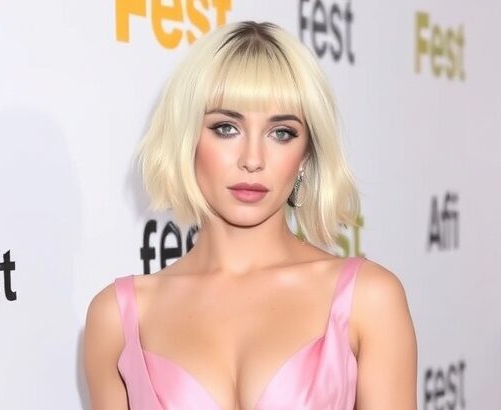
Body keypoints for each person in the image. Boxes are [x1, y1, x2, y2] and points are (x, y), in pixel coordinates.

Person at [83, 21, 417, 410]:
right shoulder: (117, 319)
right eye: (226, 128)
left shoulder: (369, 300)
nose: (253, 160)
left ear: (306, 155)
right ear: (187, 138)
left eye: (281, 133)